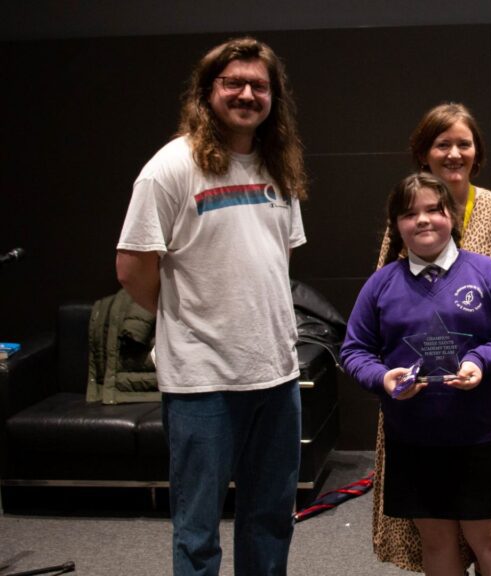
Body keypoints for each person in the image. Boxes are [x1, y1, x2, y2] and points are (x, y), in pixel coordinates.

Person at [115, 37, 308, 575]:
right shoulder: (171, 167)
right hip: (203, 383)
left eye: (259, 86)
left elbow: (275, 262)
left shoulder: (279, 167)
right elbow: (132, 268)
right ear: (207, 92)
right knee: (198, 532)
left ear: (273, 97)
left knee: (270, 520)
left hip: (275, 374)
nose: (247, 94)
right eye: (233, 83)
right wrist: (187, 318)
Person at [341, 172, 491, 576]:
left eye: (434, 209)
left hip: (475, 435)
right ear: (396, 225)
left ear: (451, 215)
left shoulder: (485, 273)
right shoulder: (382, 284)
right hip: (411, 439)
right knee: (436, 540)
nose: (423, 220)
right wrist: (383, 379)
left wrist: (482, 359)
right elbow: (354, 351)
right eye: (410, 213)